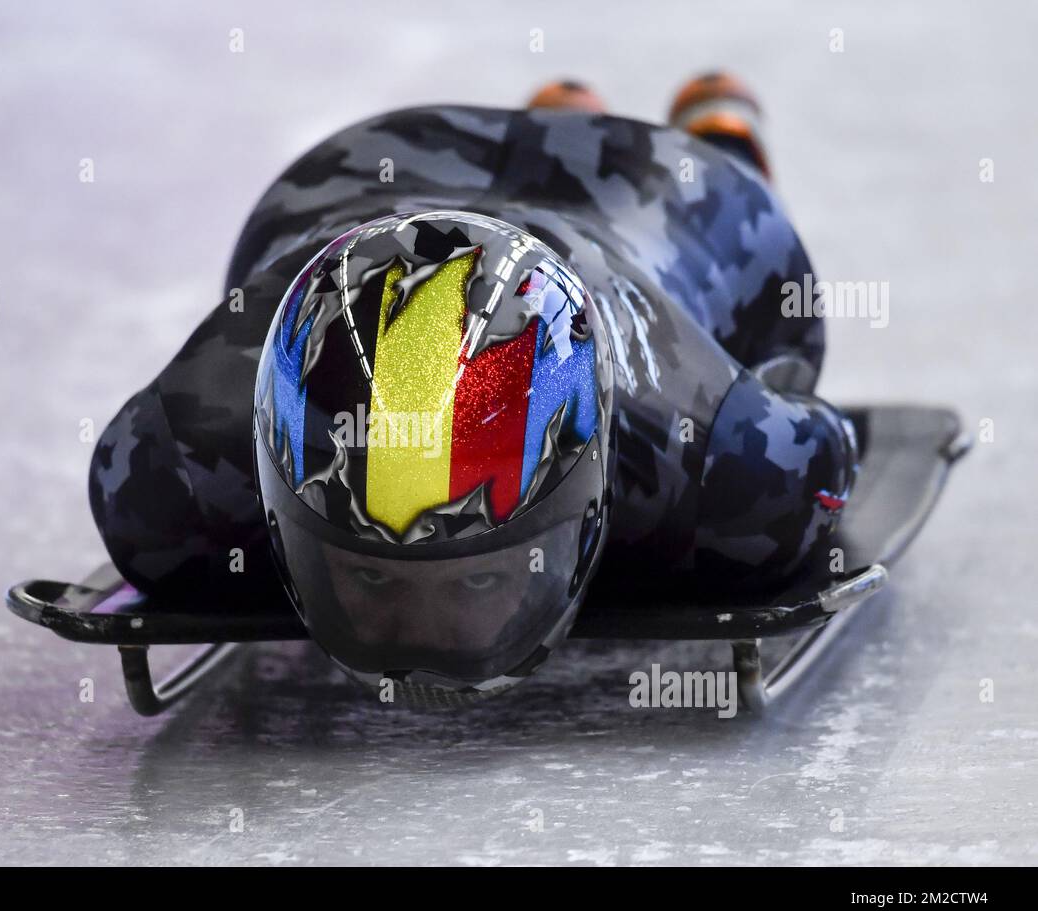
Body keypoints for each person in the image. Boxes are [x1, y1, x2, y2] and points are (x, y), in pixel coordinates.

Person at [88, 73, 858, 701]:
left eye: (482, 576)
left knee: (736, 218)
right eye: (367, 575)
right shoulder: (170, 478)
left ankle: (708, 139)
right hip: (351, 180)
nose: (423, 637)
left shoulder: (733, 469)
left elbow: (823, 442)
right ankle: (573, 126)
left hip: (669, 199)